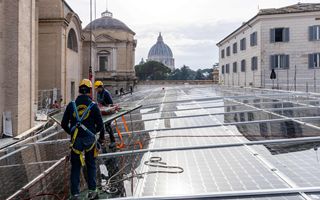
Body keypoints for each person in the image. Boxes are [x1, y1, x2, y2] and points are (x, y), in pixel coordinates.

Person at [61, 79, 105, 200]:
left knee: (76, 167)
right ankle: (92, 191)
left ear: (79, 90)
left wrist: (72, 132)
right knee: (91, 165)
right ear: (90, 91)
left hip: (76, 141)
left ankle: (74, 194)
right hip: (89, 140)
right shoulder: (93, 106)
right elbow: (101, 125)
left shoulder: (72, 105)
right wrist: (94, 134)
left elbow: (63, 123)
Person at [94, 81, 116, 148]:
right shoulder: (98, 93)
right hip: (102, 112)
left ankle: (113, 141)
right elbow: (98, 102)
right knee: (100, 125)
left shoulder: (106, 93)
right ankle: (101, 139)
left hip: (108, 111)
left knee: (108, 126)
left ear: (100, 87)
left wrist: (106, 107)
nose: (96, 90)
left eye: (97, 88)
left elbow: (111, 104)